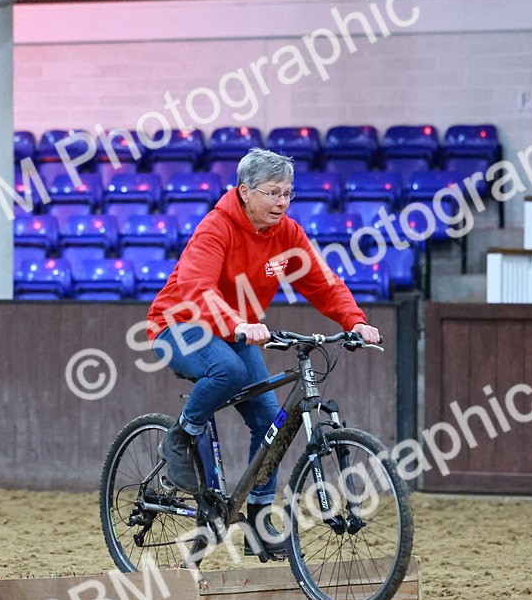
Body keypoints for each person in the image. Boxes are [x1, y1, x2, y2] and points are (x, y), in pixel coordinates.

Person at [145, 147, 382, 556]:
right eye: (273, 193)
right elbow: (197, 290)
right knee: (228, 371)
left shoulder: (286, 233)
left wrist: (354, 322)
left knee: (270, 422)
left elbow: (322, 283)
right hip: (178, 323)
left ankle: (257, 519)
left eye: (288, 194)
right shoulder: (215, 228)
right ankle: (181, 437)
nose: (282, 203)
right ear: (245, 192)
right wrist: (238, 324)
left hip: (234, 329)